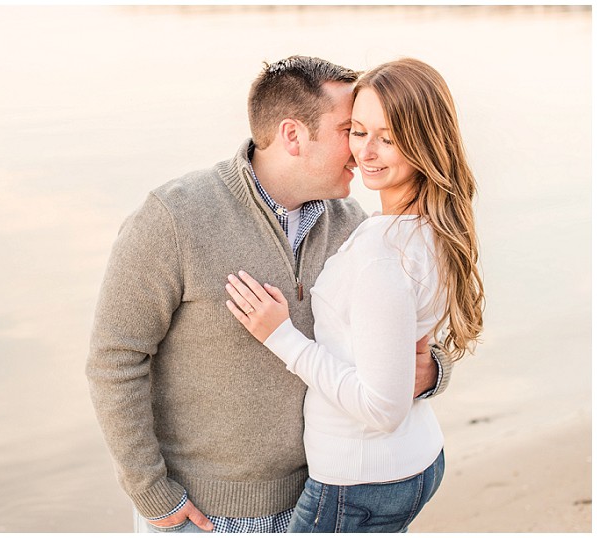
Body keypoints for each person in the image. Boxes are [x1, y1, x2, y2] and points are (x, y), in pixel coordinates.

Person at [86, 55, 454, 534]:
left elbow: (404, 337)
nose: (361, 149)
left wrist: (432, 373)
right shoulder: (175, 218)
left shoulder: (352, 226)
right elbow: (115, 359)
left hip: (320, 498)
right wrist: (151, 491)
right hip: (204, 514)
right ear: (293, 135)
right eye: (350, 129)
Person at [225, 57, 484, 533]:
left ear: (426, 141)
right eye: (358, 131)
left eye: (389, 138)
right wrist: (432, 372)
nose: (366, 151)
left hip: (358, 481)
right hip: (412, 462)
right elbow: (405, 354)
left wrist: (280, 336)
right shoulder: (437, 228)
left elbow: (381, 409)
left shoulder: (379, 253)